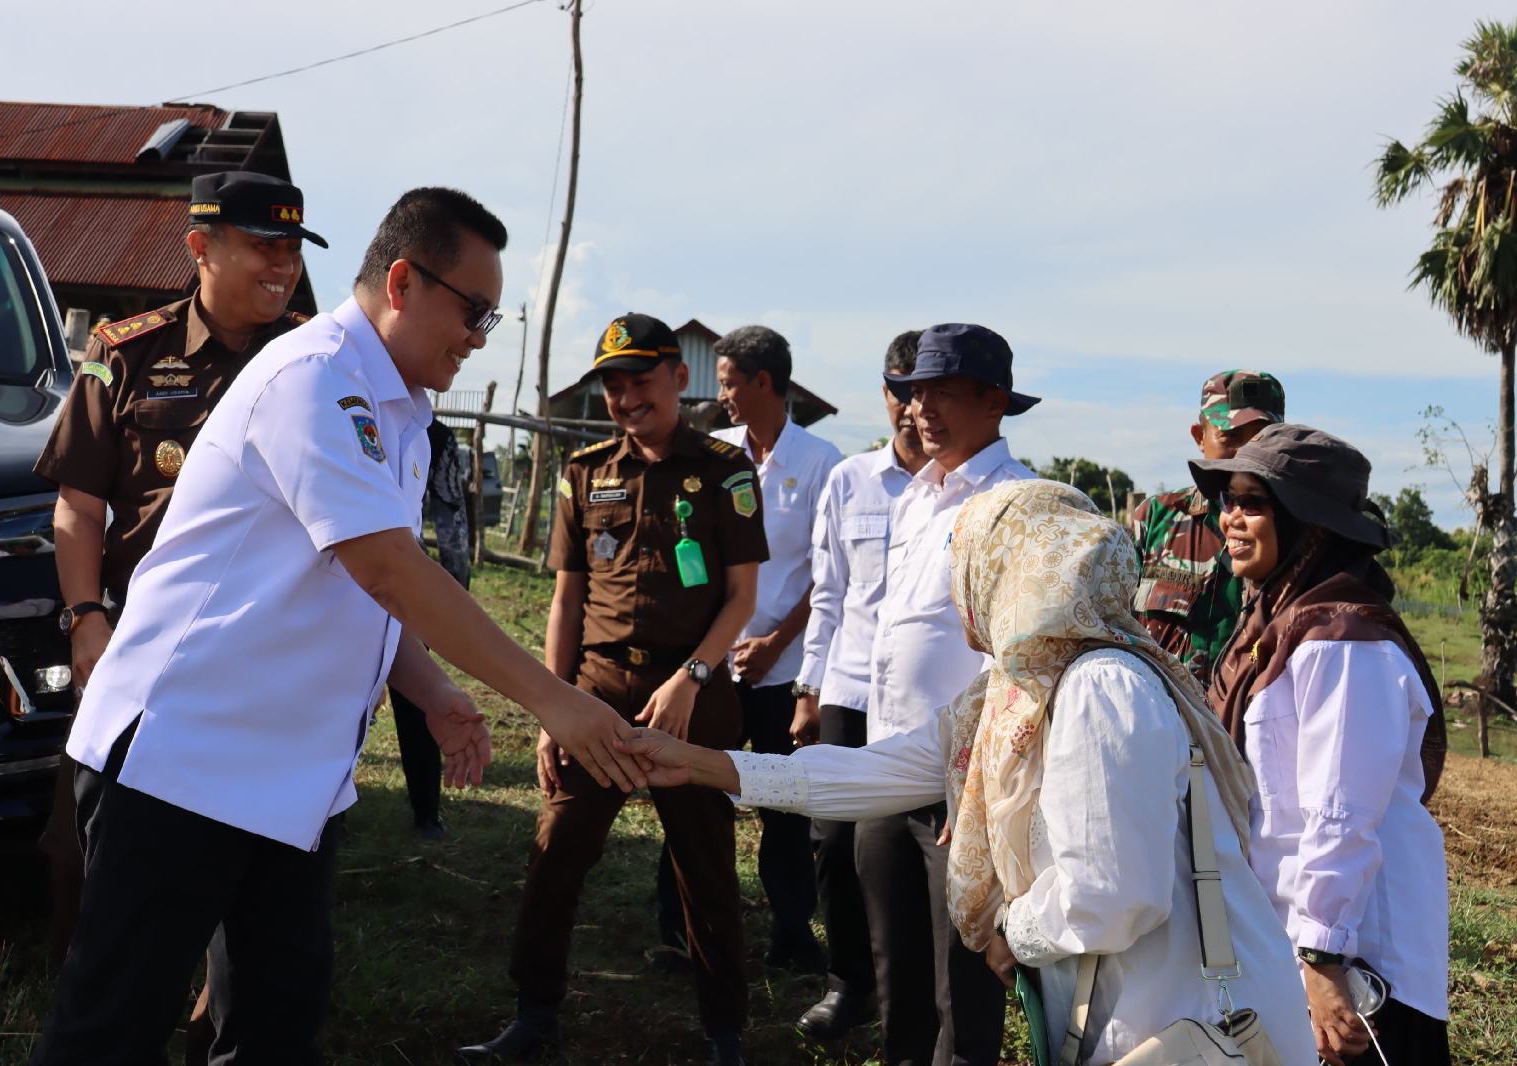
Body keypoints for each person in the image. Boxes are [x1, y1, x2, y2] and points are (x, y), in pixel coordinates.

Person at [30, 187, 650, 1065]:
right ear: (402, 281)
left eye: (491, 316)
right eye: (473, 311)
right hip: (183, 758)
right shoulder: (316, 379)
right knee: (113, 1030)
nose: (479, 336)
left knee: (275, 1022)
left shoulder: (398, 405)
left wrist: (432, 689)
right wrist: (554, 701)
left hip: (290, 778)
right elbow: (392, 569)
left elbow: (363, 589)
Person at [619, 479, 1320, 1066]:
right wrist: (705, 767)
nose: (958, 586)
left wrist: (1011, 930)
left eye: (966, 560)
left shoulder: (1099, 688)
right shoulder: (1009, 697)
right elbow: (870, 775)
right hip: (1144, 1022)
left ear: (1012, 567)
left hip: (1197, 1024)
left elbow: (1114, 895)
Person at [31, 169, 325, 1060]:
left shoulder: (313, 361)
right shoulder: (125, 351)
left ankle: (204, 1018)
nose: (283, 267)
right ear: (200, 246)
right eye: (262, 246)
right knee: (83, 850)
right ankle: (115, 999)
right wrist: (87, 618)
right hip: (142, 648)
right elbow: (79, 506)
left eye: (292, 249)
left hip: (265, 658)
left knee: (253, 870)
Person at [456, 314, 766, 1066]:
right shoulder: (585, 470)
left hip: (688, 695)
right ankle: (534, 1015)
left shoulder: (725, 469)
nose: (628, 399)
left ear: (679, 379)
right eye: (615, 386)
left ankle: (725, 1032)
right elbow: (566, 599)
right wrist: (547, 707)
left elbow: (742, 596)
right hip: (594, 691)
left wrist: (693, 677)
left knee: (706, 867)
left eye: (642, 382)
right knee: (556, 849)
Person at [1192, 423, 1451, 1066]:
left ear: (1307, 523)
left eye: (1254, 502)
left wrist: (1322, 956)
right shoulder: (1284, 624)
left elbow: (1341, 812)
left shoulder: (1343, 640)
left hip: (1362, 966)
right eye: (1228, 500)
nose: (1230, 518)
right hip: (1305, 944)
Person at [857, 322, 1035, 1066]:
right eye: (913, 391)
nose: (921, 409)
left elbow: (1026, 662)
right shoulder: (914, 498)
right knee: (892, 960)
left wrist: (979, 795)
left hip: (959, 786)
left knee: (960, 979)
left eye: (942, 393)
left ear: (993, 402)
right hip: (887, 761)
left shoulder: (1020, 503)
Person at [684, 324, 842, 973]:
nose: (720, 394)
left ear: (763, 383)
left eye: (727, 383)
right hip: (715, 663)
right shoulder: (714, 455)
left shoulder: (821, 462)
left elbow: (829, 571)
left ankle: (792, 931)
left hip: (787, 666)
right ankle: (686, 926)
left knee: (784, 803)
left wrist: (777, 640)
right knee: (696, 793)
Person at [788, 329, 927, 1041]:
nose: (911, 406)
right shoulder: (851, 480)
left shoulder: (963, 491)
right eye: (899, 389)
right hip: (849, 687)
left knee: (909, 853)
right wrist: (807, 689)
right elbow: (830, 594)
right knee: (835, 843)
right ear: (886, 392)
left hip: (925, 702)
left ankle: (916, 995)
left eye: (922, 391)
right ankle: (850, 985)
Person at [1129, 370, 1286, 685]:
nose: (1246, 453)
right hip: (1163, 719)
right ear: (1199, 437)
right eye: (1230, 436)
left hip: (1248, 724)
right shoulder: (1156, 518)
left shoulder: (1290, 526)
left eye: (1261, 439)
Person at [392, 418, 473, 839]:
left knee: (420, 699)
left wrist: (451, 595)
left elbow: (450, 514)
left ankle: (427, 807)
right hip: (385, 581)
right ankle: (425, 815)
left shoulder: (434, 435)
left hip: (409, 584)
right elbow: (453, 518)